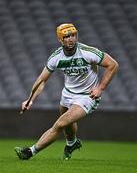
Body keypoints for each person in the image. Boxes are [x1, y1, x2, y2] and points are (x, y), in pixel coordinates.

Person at [15, 23, 119, 160]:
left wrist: (100, 88)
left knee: (60, 124)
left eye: (73, 35)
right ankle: (72, 143)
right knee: (67, 124)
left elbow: (113, 65)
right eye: (66, 36)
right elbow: (41, 80)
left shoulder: (88, 52)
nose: (71, 39)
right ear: (60, 39)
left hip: (87, 96)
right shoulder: (56, 57)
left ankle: (30, 152)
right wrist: (30, 100)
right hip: (67, 94)